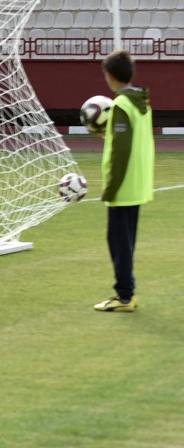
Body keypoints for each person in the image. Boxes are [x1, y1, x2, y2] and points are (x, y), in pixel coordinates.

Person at [90, 50, 153, 313]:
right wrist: (106, 135)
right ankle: (127, 293)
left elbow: (122, 151)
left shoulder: (121, 105)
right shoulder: (141, 103)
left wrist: (111, 188)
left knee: (118, 243)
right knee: (125, 241)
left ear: (110, 76)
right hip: (138, 184)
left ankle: (125, 297)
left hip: (124, 187)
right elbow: (130, 141)